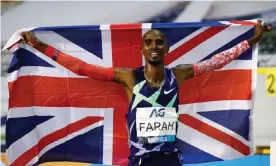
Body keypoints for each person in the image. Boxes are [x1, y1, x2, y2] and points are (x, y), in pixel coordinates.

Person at [21, 19, 272, 166]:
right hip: (140, 161)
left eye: (159, 43)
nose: (154, 47)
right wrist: (41, 46)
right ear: (141, 49)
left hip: (171, 160)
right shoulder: (129, 77)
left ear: (167, 48)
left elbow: (216, 61)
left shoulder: (179, 74)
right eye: (149, 43)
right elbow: (84, 68)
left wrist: (250, 41)